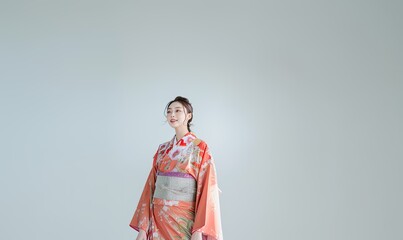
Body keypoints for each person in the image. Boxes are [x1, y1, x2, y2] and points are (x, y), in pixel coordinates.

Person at [129, 96, 223, 240]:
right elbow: (150, 188)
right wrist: (143, 227)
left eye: (178, 111)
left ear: (189, 116)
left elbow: (207, 190)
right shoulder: (162, 149)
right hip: (158, 220)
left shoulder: (200, 148)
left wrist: (198, 230)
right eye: (169, 111)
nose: (172, 115)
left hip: (184, 220)